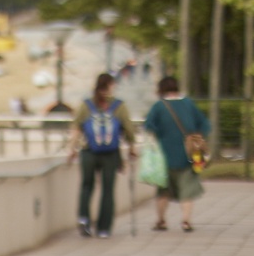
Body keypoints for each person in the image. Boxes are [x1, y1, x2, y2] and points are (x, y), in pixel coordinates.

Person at [70, 72, 134, 237]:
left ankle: (84, 218)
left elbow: (76, 128)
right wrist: (131, 147)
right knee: (107, 189)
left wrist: (72, 149)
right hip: (111, 153)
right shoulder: (119, 106)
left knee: (87, 185)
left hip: (88, 151)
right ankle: (104, 228)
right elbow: (128, 129)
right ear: (111, 85)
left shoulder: (86, 105)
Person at [144, 76, 209, 232]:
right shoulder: (188, 103)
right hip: (188, 155)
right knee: (187, 190)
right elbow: (204, 124)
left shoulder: (159, 106)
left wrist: (160, 134)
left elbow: (149, 125)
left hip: (164, 156)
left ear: (161, 89)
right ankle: (186, 221)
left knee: (163, 191)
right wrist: (196, 137)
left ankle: (161, 221)